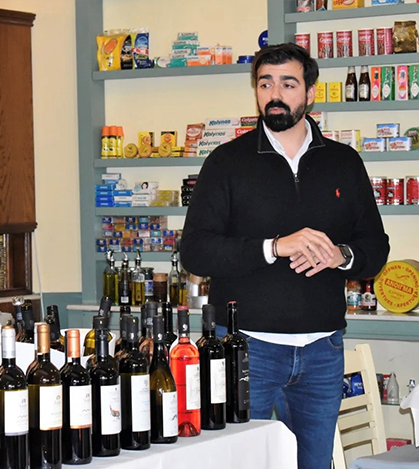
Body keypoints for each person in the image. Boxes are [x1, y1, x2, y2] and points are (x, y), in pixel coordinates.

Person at [179, 43, 389, 469]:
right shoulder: (226, 162)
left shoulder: (344, 162)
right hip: (245, 350)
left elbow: (376, 248)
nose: (275, 94)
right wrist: (273, 247)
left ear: (310, 92)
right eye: (265, 84)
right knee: (241, 463)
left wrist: (341, 255)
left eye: (288, 84)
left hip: (322, 350)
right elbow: (195, 251)